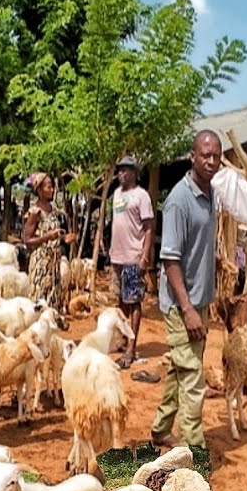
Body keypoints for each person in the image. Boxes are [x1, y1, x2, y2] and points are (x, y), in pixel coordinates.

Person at [151, 130, 221, 451]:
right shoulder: (179, 201)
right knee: (193, 378)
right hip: (182, 305)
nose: (211, 161)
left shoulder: (210, 194)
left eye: (216, 155)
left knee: (181, 368)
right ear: (192, 157)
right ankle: (195, 453)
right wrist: (189, 309)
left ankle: (160, 429)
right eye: (205, 155)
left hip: (199, 301)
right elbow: (170, 259)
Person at [109, 155, 154, 369]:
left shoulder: (142, 196)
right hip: (116, 256)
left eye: (125, 170)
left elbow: (149, 228)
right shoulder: (117, 194)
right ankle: (123, 339)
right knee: (121, 301)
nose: (121, 174)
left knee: (134, 301)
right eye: (119, 170)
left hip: (133, 257)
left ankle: (131, 347)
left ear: (134, 173)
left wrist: (145, 256)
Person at [23, 172, 75, 310]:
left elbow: (54, 235)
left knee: (52, 306)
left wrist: (64, 238)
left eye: (52, 187)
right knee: (39, 305)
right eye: (48, 187)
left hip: (53, 266)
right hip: (41, 265)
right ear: (39, 190)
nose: (52, 190)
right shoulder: (35, 213)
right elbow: (27, 240)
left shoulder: (53, 211)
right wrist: (47, 237)